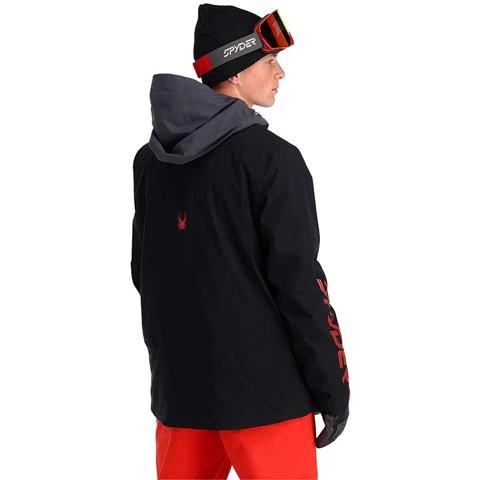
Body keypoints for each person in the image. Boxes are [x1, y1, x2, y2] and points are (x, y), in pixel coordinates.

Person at [131, 4, 350, 479]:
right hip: (267, 401)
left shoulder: (150, 162)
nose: (280, 73)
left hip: (181, 397)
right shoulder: (273, 159)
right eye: (270, 61)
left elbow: (143, 274)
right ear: (234, 70)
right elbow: (300, 286)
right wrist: (333, 389)